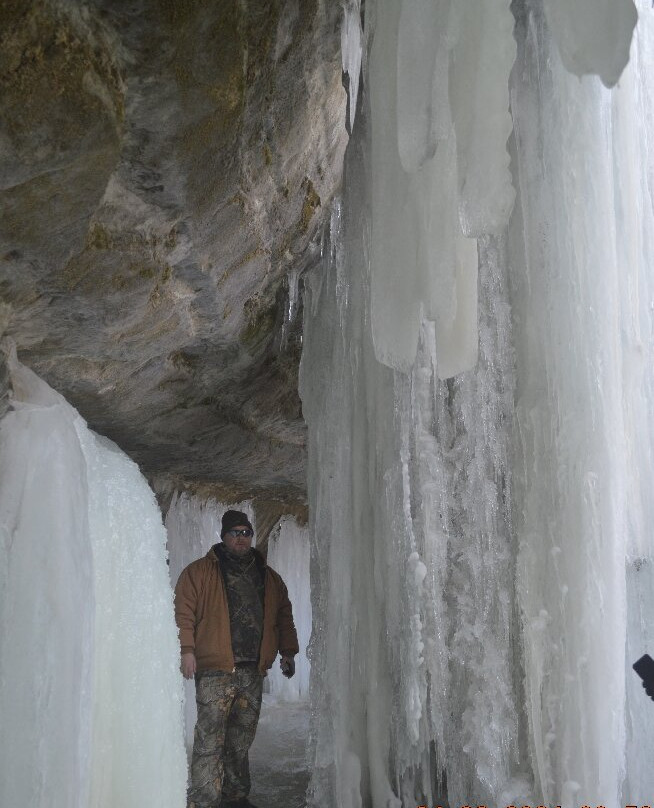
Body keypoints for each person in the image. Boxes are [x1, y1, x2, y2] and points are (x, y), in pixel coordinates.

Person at [174, 509, 299, 808]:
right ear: (223, 535)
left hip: (251, 670)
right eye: (235, 533)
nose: (241, 538)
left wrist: (288, 652)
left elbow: (284, 614)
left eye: (246, 533)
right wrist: (187, 650)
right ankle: (204, 800)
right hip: (216, 669)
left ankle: (235, 795)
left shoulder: (268, 576)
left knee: (241, 740)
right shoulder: (200, 572)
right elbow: (183, 613)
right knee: (209, 740)